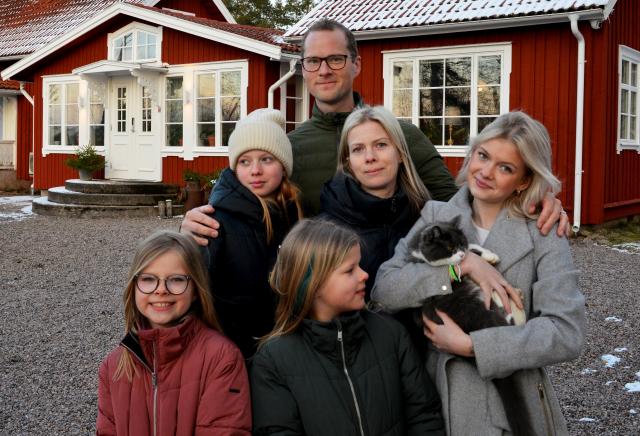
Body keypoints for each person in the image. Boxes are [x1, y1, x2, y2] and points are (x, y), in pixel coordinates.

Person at [180, 18, 568, 244]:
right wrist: (196, 221)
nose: (324, 70)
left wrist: (532, 202)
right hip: (320, 307)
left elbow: (461, 206)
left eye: (335, 58)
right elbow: (238, 204)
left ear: (356, 64)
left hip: (401, 298)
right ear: (303, 69)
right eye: (313, 62)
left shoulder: (402, 136)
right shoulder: (284, 149)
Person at [371, 111, 586, 435]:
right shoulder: (436, 215)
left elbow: (566, 332)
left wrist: (474, 345)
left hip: (514, 407)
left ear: (525, 180)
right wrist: (457, 270)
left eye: (506, 168)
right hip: (439, 403)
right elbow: (384, 290)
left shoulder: (544, 233)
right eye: (483, 155)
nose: (486, 172)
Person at [250, 219, 445, 436]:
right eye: (349, 270)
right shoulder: (273, 362)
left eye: (359, 265)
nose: (364, 275)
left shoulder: (390, 334)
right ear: (313, 283)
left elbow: (425, 416)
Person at [96, 231, 251, 435]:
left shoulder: (221, 359)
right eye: (149, 279)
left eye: (176, 280)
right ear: (134, 286)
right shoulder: (113, 367)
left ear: (195, 289)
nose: (161, 290)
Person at [203, 108, 303, 359]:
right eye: (244, 161)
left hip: (288, 351)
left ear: (283, 164)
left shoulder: (297, 216)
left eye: (266, 159)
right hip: (235, 356)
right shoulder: (216, 223)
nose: (255, 170)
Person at [319, 105, 430, 297]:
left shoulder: (426, 218)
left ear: (400, 153)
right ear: (349, 162)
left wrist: (461, 268)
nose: (370, 157)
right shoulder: (326, 231)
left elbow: (447, 276)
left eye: (380, 145)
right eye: (358, 149)